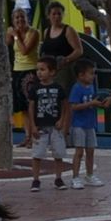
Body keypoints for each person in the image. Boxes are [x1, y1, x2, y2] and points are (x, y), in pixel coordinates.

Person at [27, 57, 69, 191]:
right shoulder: (35, 89)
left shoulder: (58, 88)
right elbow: (31, 107)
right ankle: (35, 179)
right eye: (37, 70)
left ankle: (58, 178)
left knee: (58, 153)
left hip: (55, 126)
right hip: (40, 126)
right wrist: (32, 125)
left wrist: (62, 120)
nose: (39, 72)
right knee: (37, 154)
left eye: (42, 69)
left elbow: (64, 105)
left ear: (52, 72)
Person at [65, 59, 107, 189]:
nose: (93, 76)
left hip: (90, 124)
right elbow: (74, 106)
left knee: (90, 151)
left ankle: (89, 175)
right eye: (91, 73)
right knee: (79, 151)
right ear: (81, 75)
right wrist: (91, 104)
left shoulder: (91, 87)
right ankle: (75, 177)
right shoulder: (77, 88)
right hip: (79, 124)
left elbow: (94, 100)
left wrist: (101, 103)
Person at [7, 4, 40, 140]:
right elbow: (6, 45)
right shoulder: (13, 33)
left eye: (22, 17)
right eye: (16, 18)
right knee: (23, 107)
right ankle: (27, 136)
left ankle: (35, 133)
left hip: (30, 70)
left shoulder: (33, 33)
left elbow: (25, 50)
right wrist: (9, 34)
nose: (19, 20)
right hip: (17, 70)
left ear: (27, 18)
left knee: (32, 104)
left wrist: (16, 36)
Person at [38, 1, 83, 67]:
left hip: (64, 67)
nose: (57, 16)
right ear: (48, 16)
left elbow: (79, 50)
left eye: (59, 14)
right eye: (54, 14)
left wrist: (66, 59)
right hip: (49, 69)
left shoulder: (68, 30)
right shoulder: (46, 31)